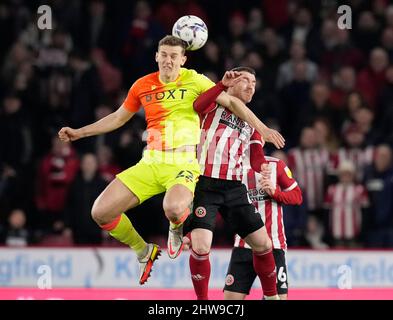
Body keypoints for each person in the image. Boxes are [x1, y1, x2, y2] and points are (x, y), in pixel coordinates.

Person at [58, 36, 284, 285]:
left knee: (174, 208)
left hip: (183, 163)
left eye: (174, 56)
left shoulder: (193, 78)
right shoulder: (142, 85)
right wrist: (79, 132)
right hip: (151, 162)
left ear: (183, 59)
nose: (168, 60)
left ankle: (176, 225)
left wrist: (261, 129)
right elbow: (117, 118)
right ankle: (144, 251)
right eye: (163, 54)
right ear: (156, 56)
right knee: (100, 212)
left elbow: (230, 101)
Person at [187, 67, 284, 300]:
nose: (251, 85)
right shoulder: (215, 103)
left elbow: (256, 157)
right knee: (201, 247)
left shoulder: (253, 123)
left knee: (263, 244)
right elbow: (198, 106)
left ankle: (271, 297)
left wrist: (265, 168)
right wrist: (220, 85)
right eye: (245, 80)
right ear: (231, 83)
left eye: (254, 82)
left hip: (234, 188)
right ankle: (203, 304)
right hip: (205, 184)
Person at [223, 155, 302, 300]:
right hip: (244, 244)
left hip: (274, 245)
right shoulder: (231, 168)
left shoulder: (276, 165)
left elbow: (297, 196)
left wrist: (276, 193)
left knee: (278, 298)